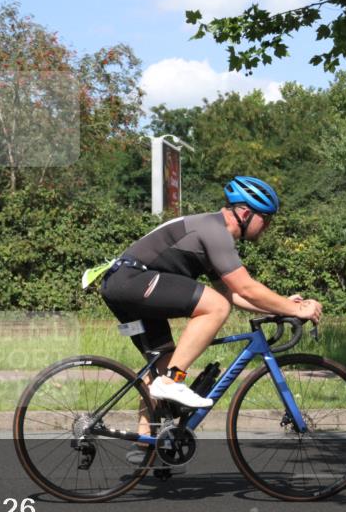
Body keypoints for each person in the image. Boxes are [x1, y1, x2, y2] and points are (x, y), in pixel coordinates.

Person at [98, 176, 322, 418]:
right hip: (131, 280)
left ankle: (147, 444)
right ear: (246, 214)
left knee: (162, 368)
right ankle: (173, 382)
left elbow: (235, 294)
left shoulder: (210, 232)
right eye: (265, 219)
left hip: (122, 286)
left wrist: (280, 307)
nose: (267, 226)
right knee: (216, 306)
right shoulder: (215, 231)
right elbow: (245, 288)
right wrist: (296, 309)